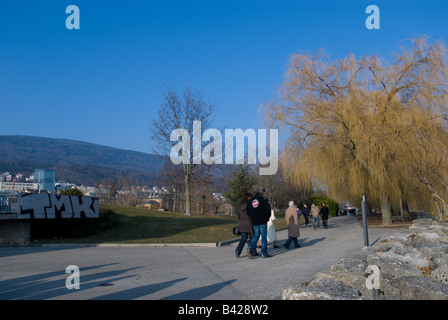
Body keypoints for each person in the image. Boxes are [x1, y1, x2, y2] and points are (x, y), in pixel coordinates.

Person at [246, 187, 272, 258]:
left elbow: (247, 211)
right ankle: (264, 253)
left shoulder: (250, 200)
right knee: (263, 237)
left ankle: (250, 247)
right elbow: (268, 210)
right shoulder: (264, 199)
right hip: (262, 220)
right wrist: (267, 217)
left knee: (256, 235)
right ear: (262, 192)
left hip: (254, 221)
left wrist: (252, 217)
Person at [235, 192, 253, 258]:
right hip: (249, 223)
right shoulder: (249, 204)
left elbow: (238, 215)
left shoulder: (240, 205)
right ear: (248, 197)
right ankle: (252, 251)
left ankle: (238, 250)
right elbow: (251, 214)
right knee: (252, 238)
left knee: (244, 238)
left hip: (241, 223)